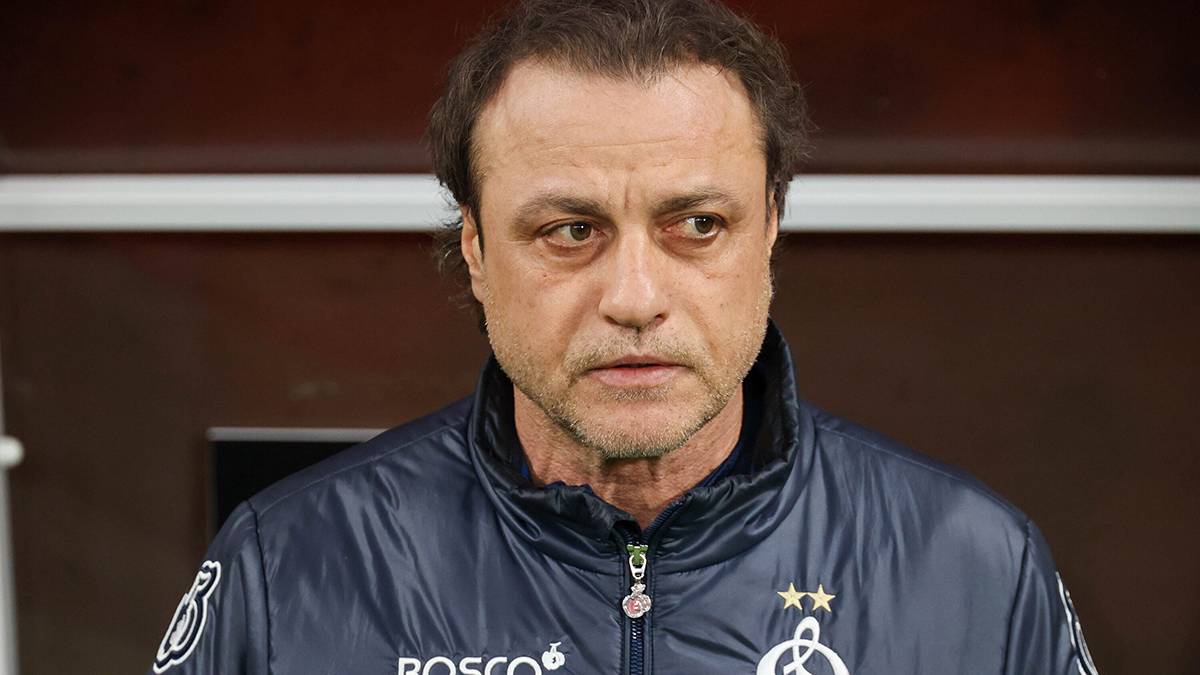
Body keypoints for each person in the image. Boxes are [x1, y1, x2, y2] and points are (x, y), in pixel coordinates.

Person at [148, 1, 1099, 673]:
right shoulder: (288, 565)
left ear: (770, 228)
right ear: (475, 249)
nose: (636, 298)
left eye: (698, 225)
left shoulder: (974, 564)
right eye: (571, 230)